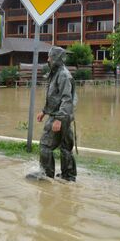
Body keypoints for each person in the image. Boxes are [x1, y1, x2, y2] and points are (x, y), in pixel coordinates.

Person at [34, 46, 77, 182]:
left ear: (56, 58)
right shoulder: (56, 72)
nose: (48, 60)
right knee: (65, 147)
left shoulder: (63, 75)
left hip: (61, 115)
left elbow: (66, 98)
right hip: (64, 115)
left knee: (45, 145)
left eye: (50, 57)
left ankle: (46, 176)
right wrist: (44, 111)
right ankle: (68, 177)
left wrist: (58, 119)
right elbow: (54, 97)